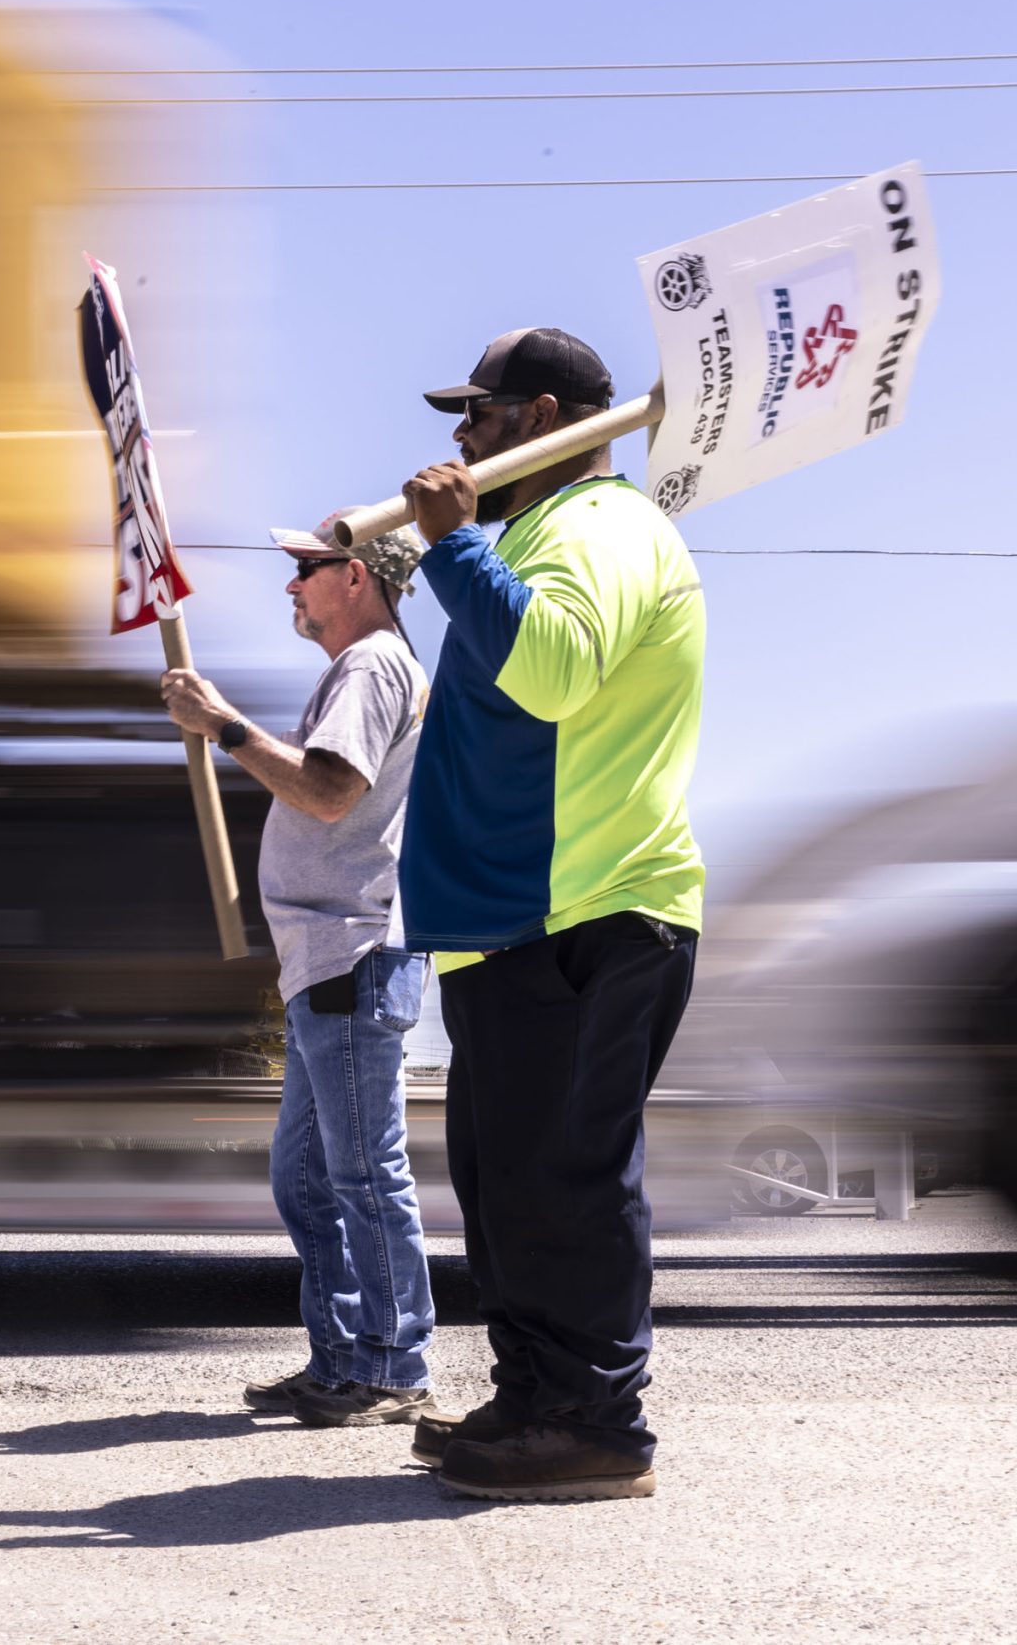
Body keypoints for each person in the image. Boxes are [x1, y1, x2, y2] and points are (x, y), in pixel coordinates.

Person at [392, 327, 705, 1501]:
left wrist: (451, 545)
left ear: (537, 416)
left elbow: (556, 669)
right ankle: (534, 1395)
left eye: (474, 413)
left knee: (563, 1183)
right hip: (511, 921)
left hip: (589, 907)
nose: (459, 435)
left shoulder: (601, 526)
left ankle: (595, 1424)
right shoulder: (530, 535)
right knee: (506, 1185)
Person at [159, 516, 439, 1428]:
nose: (291, 584)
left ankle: (392, 1368)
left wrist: (224, 724)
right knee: (309, 1179)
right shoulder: (365, 668)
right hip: (330, 960)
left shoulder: (372, 665)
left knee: (362, 1174)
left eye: (306, 568)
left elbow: (326, 790)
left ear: (356, 576)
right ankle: (343, 1359)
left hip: (351, 952)